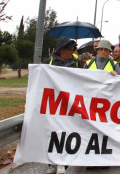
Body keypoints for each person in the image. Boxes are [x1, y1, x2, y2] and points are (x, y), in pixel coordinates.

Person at [45, 37, 77, 174]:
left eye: (73, 49)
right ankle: (51, 163)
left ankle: (62, 163)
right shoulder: (49, 63)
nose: (72, 52)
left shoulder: (75, 64)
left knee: (65, 132)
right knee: (52, 134)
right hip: (52, 103)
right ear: (62, 50)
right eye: (70, 49)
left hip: (68, 104)